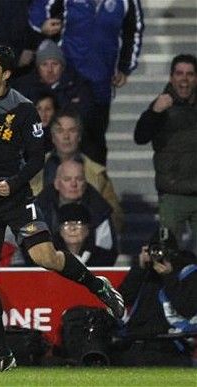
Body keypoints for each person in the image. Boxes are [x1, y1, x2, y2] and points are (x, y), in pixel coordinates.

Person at [0, 20, 125, 371]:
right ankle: (1, 350)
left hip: (15, 197)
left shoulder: (23, 109)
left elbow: (37, 158)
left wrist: (13, 181)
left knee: (44, 256)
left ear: (6, 73)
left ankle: (97, 286)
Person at [28, 0, 144, 165]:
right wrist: (41, 24)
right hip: (67, 83)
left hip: (101, 83)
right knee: (60, 137)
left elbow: (134, 30)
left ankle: (94, 185)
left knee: (95, 144)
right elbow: (39, 6)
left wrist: (125, 67)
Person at [134, 54, 197, 253]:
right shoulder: (160, 105)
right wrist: (154, 112)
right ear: (171, 78)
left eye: (190, 74)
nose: (184, 79)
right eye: (179, 74)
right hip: (171, 195)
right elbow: (140, 137)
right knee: (170, 255)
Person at [29, 107, 124, 233]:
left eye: (72, 130)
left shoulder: (97, 173)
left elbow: (116, 220)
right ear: (52, 137)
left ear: (79, 136)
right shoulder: (34, 171)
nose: (66, 136)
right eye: (60, 131)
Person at [113, 228, 197, 366]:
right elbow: (121, 301)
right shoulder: (146, 271)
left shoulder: (189, 273)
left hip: (170, 343)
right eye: (155, 250)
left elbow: (187, 309)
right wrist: (139, 268)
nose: (159, 255)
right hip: (136, 340)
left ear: (174, 252)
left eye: (164, 251)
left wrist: (169, 277)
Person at [36, 159, 118, 263]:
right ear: (56, 183)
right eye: (67, 179)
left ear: (85, 183)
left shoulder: (100, 209)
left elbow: (107, 252)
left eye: (79, 179)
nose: (73, 184)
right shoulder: (39, 208)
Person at [52, 203, 116, 267]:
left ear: (87, 230)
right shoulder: (50, 255)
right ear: (60, 230)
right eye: (66, 223)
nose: (72, 228)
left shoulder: (104, 258)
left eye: (78, 223)